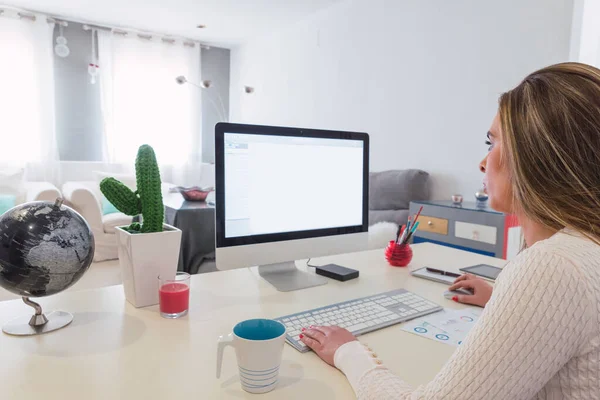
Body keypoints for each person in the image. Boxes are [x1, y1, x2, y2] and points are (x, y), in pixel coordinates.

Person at [300, 62, 600, 399]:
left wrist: (349, 353)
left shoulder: (555, 266)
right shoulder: (585, 248)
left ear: (536, 156)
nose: (482, 163)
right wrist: (505, 299)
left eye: (492, 143)